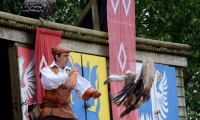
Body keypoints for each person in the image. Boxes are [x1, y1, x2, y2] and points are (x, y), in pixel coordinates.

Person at [39, 44, 101, 120]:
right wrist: (67, 75)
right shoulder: (47, 70)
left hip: (66, 111)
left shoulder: (72, 73)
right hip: (50, 111)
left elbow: (83, 87)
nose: (67, 58)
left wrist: (92, 92)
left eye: (68, 56)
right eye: (65, 56)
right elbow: (52, 83)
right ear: (57, 57)